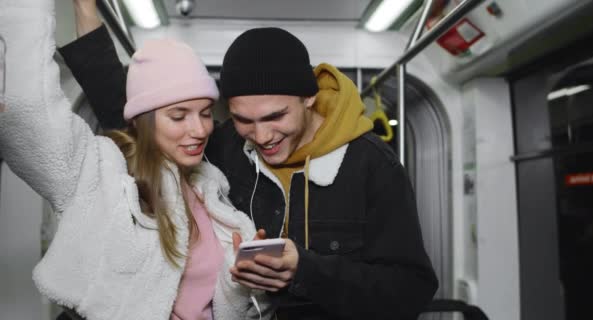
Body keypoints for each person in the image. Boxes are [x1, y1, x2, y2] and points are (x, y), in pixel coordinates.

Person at [59, 2, 439, 319]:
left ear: (309, 97)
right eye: (243, 120)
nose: (261, 137)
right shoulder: (224, 148)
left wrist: (304, 271)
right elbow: (132, 121)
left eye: (275, 117)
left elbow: (410, 291)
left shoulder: (371, 166)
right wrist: (85, 6)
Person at [0, 1, 274, 319]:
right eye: (178, 116)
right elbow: (29, 111)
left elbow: (225, 304)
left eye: (205, 113)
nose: (199, 129)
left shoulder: (211, 191)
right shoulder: (100, 175)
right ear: (144, 120)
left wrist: (242, 279)